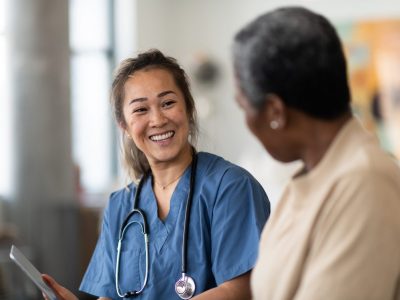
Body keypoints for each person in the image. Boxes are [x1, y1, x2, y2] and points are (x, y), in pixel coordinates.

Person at [43, 49, 270, 299]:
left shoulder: (231, 187)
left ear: (189, 109)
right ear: (125, 126)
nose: (158, 119)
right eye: (141, 110)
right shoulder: (120, 206)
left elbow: (240, 290)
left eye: (168, 103)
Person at [232, 6, 400, 300]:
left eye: (244, 107)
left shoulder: (365, 184)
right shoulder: (311, 176)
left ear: (274, 112)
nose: (246, 122)